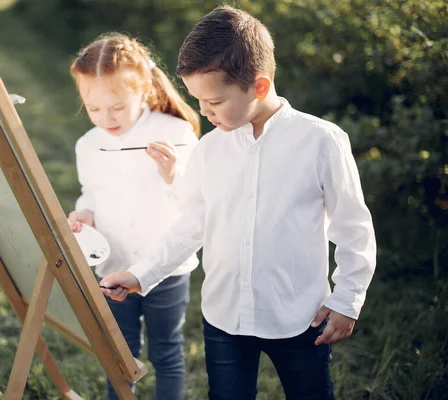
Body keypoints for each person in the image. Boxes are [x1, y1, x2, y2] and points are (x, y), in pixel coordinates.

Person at [100, 6, 377, 400]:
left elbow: (353, 230)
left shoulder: (321, 142)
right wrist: (143, 274)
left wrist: (347, 300)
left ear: (259, 87)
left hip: (299, 319)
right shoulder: (209, 150)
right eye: (197, 101)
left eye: (213, 102)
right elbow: (191, 224)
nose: (203, 112)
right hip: (224, 319)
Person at [67, 32, 201, 400]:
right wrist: (85, 213)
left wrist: (173, 173)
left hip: (165, 269)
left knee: (166, 350)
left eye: (117, 107)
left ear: (142, 89)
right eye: (93, 109)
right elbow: (91, 190)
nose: (105, 118)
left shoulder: (175, 132)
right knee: (118, 353)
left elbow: (199, 202)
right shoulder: (88, 144)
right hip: (112, 264)